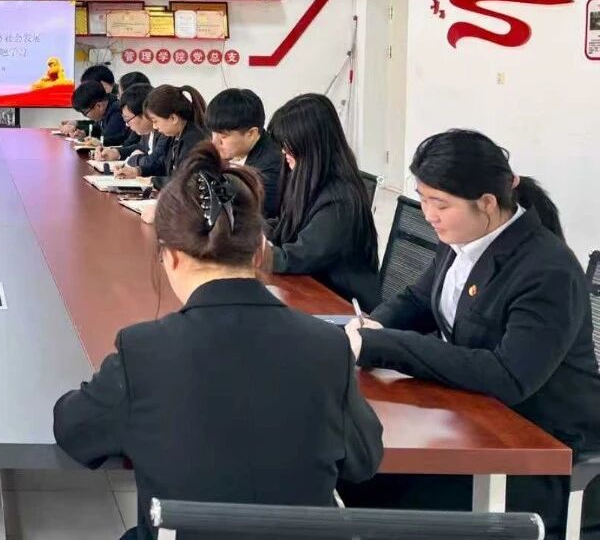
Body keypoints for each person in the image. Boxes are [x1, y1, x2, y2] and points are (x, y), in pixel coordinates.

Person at [53, 145, 383, 540]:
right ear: (258, 252)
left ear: (171, 257)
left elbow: (74, 430)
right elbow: (364, 460)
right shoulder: (327, 347)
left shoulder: (143, 350)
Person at [343, 130, 600, 537]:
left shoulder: (547, 270)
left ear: (487, 203)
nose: (428, 214)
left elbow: (508, 376)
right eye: (424, 199)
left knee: (375, 493)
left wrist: (385, 346)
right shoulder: (463, 237)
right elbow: (418, 298)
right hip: (473, 423)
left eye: (440, 203)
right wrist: (374, 324)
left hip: (537, 454)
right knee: (352, 473)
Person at [264, 93, 379, 309]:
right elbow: (284, 225)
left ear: (311, 145)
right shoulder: (307, 180)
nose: (283, 151)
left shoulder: (340, 200)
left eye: (289, 144)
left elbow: (298, 257)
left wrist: (255, 253)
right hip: (310, 290)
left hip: (342, 306)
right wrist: (250, 230)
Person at [206, 87, 285, 218]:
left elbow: (249, 218)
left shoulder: (270, 167)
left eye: (223, 136)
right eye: (213, 133)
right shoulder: (231, 152)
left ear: (251, 133)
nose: (214, 142)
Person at [144, 85, 209, 190]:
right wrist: (138, 171)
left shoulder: (193, 140)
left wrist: (152, 181)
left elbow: (186, 181)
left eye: (155, 121)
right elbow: (164, 167)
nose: (154, 127)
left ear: (173, 118)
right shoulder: (174, 135)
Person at [62, 64, 118, 137]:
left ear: (102, 85)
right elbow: (98, 125)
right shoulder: (106, 102)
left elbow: (110, 134)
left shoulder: (119, 103)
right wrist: (78, 125)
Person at [70, 79, 129, 148]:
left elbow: (109, 139)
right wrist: (84, 133)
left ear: (99, 106)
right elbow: (97, 127)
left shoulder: (117, 112)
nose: (85, 116)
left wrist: (96, 141)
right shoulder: (106, 106)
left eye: (85, 113)